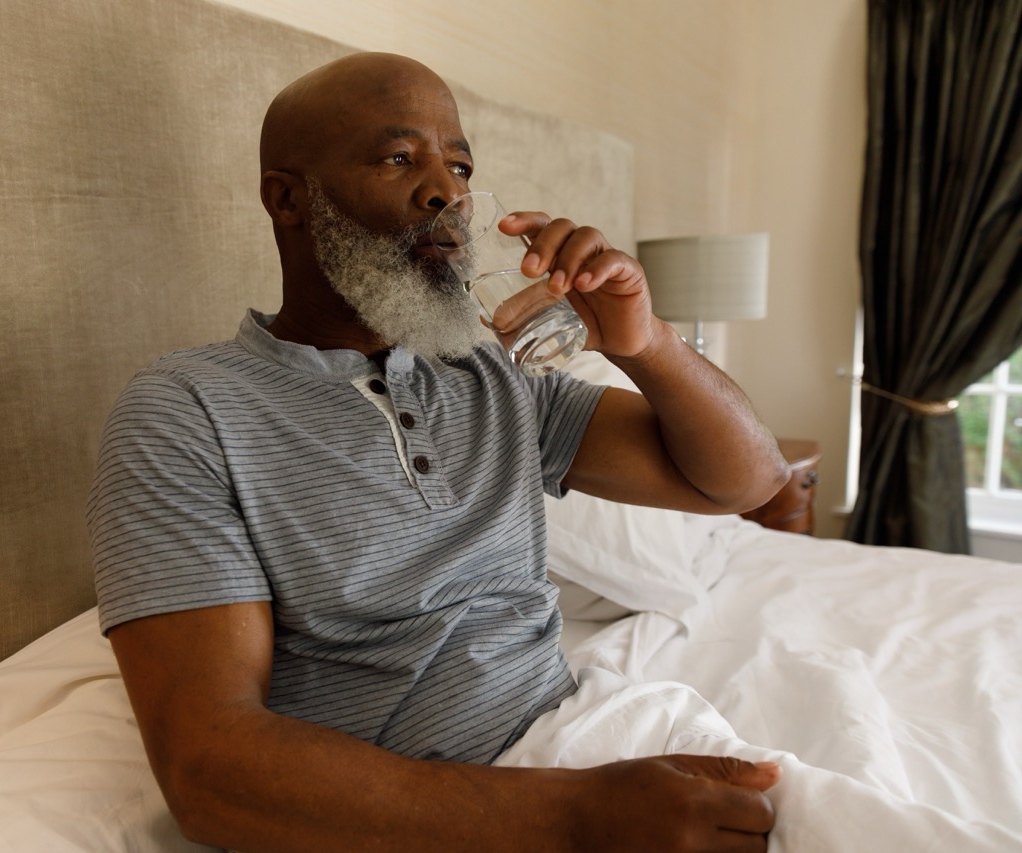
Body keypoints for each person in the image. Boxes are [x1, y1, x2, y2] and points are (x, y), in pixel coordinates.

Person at [87, 51, 791, 852]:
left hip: (586, 741)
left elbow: (746, 480)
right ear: (288, 199)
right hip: (466, 818)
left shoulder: (487, 371)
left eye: (458, 165)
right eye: (398, 158)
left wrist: (647, 341)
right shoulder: (187, 411)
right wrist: (578, 817)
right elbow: (208, 771)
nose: (446, 194)